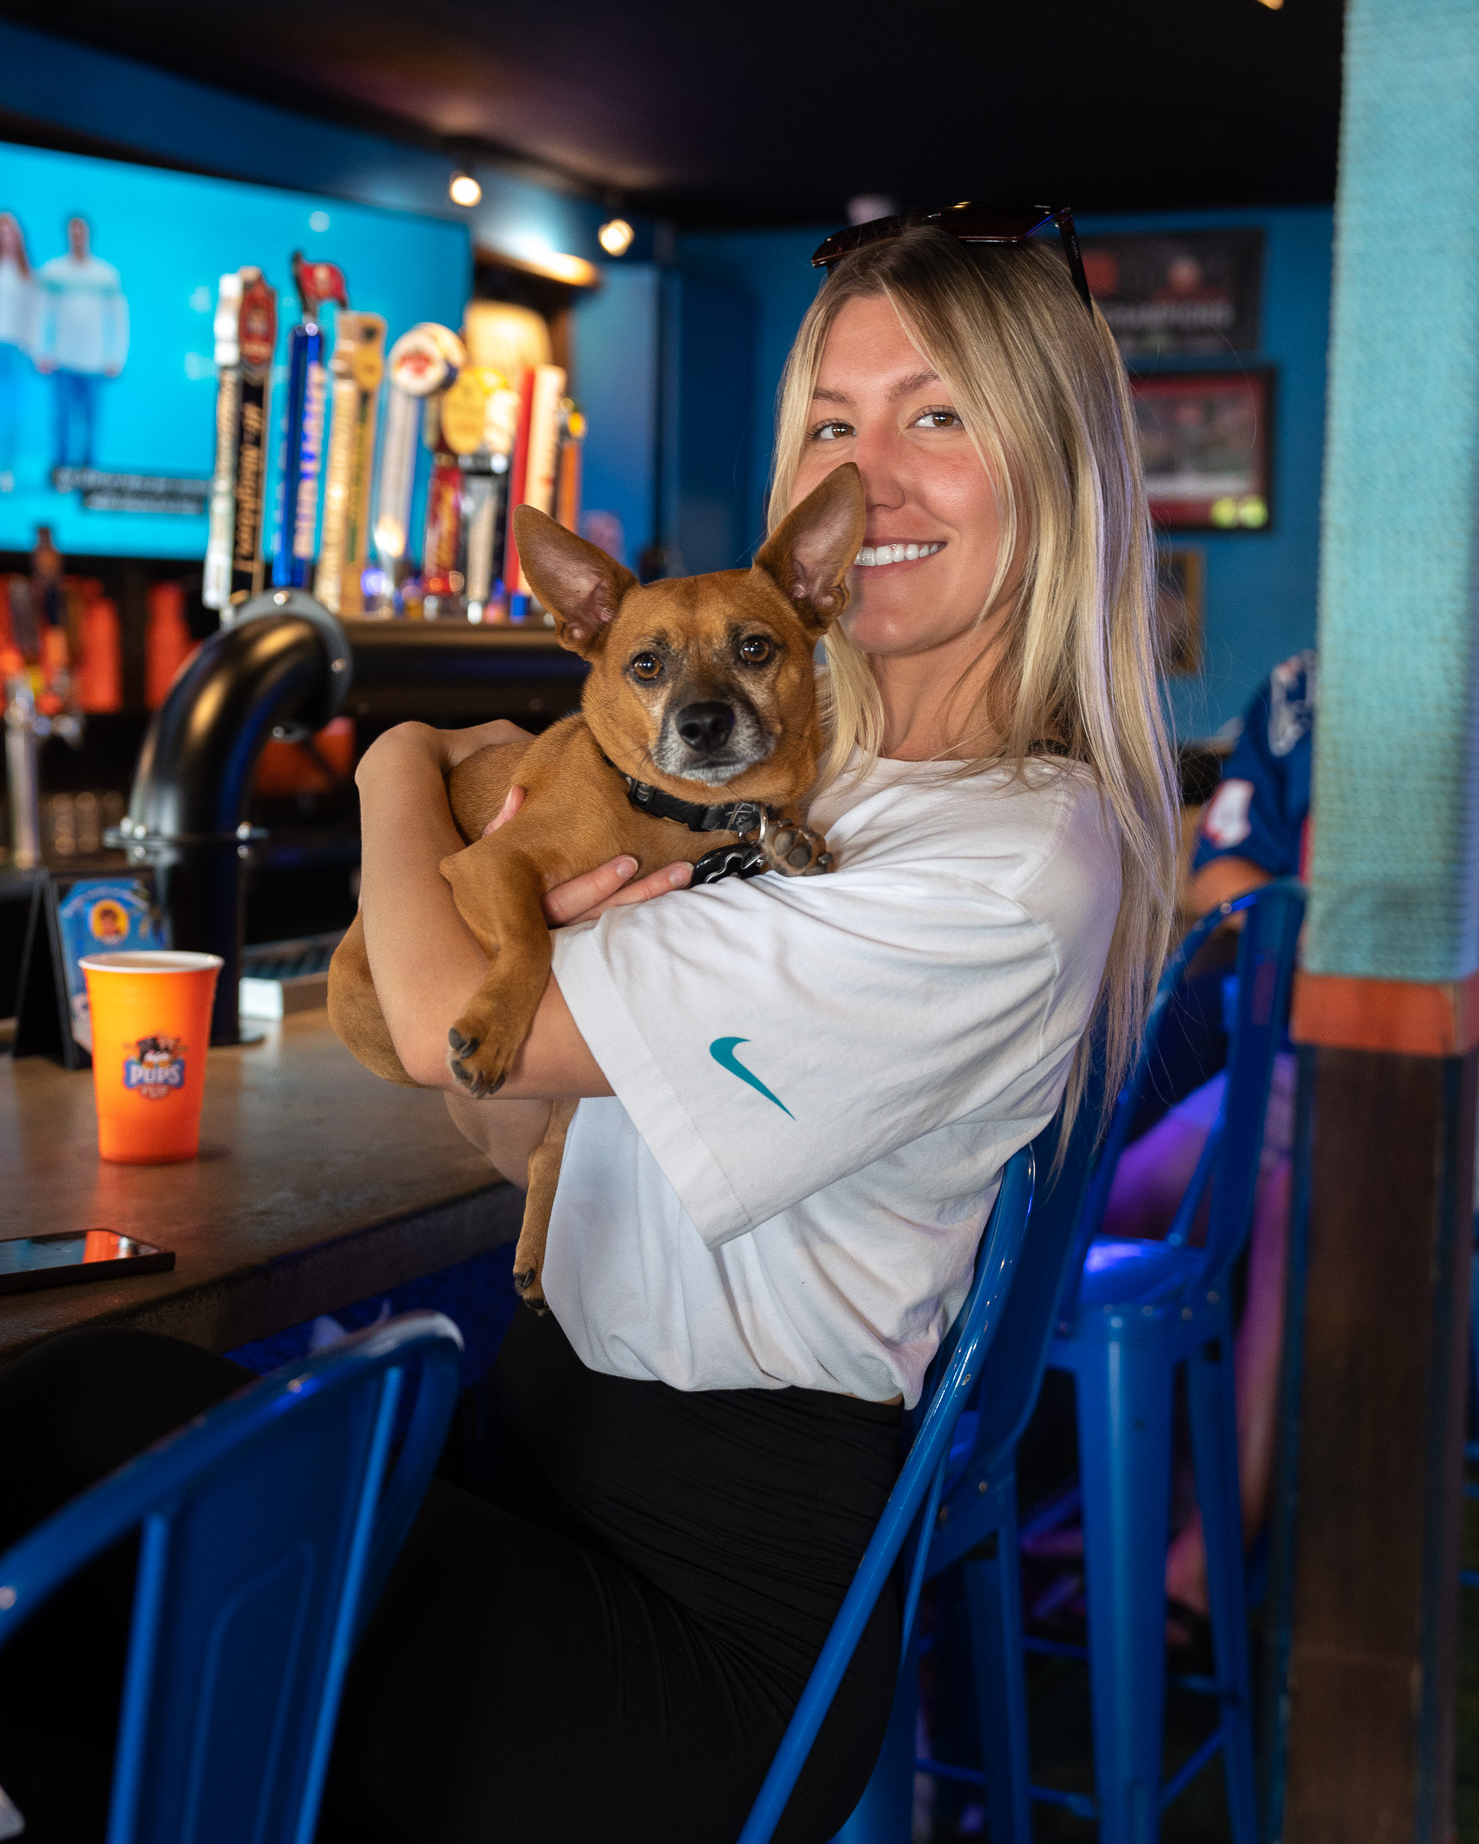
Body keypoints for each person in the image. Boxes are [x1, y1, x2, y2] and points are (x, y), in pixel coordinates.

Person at [0, 215, 1178, 1844]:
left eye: (940, 414)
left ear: (1053, 463)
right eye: (836, 422)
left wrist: (398, 758)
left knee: (68, 1435)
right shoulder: (798, 790)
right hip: (542, 1462)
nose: (879, 472)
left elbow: (425, 1024)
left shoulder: (997, 856)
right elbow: (514, 1116)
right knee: (80, 1423)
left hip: (693, 1631)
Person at [1096, 625, 1479, 1624]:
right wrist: (1308, 921)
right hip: (1309, 1041)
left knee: (1304, 1206)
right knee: (1119, 1199)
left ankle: (1214, 1550)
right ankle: (1086, 1497)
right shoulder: (1298, 688)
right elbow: (1217, 869)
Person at [35, 214, 129, 471]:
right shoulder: (53, 272)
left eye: (81, 232)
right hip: (62, 359)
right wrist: (41, 351)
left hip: (95, 362)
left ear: (88, 235)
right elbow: (42, 314)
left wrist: (116, 357)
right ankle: (62, 472)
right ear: (68, 235)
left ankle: (89, 475)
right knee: (62, 420)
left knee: (90, 422)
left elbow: (119, 319)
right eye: (73, 232)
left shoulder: (106, 274)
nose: (77, 237)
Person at [0, 212, 37, 484]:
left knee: (9, 412)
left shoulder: (27, 276)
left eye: (10, 231)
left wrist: (32, 349)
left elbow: (32, 316)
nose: (5, 236)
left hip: (13, 350)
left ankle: (5, 470)